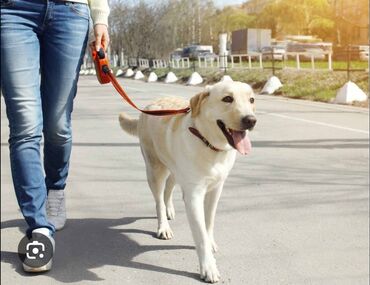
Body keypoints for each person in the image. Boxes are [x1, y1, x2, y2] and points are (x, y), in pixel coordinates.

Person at [1, 0, 110, 272]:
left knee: (58, 125)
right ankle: (38, 226)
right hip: (12, 10)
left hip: (70, 11)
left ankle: (56, 189)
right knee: (25, 125)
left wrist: (100, 17)